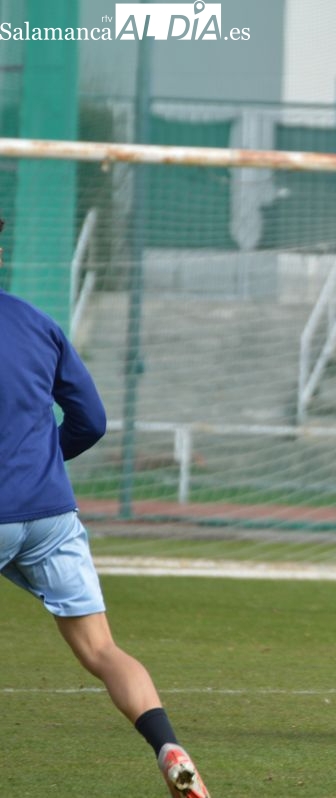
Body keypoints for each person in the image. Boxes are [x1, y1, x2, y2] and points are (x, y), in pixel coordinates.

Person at [0, 223, 211, 798]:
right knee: (102, 650)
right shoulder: (38, 324)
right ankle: (169, 747)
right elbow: (91, 420)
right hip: (49, 514)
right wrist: (41, 464)